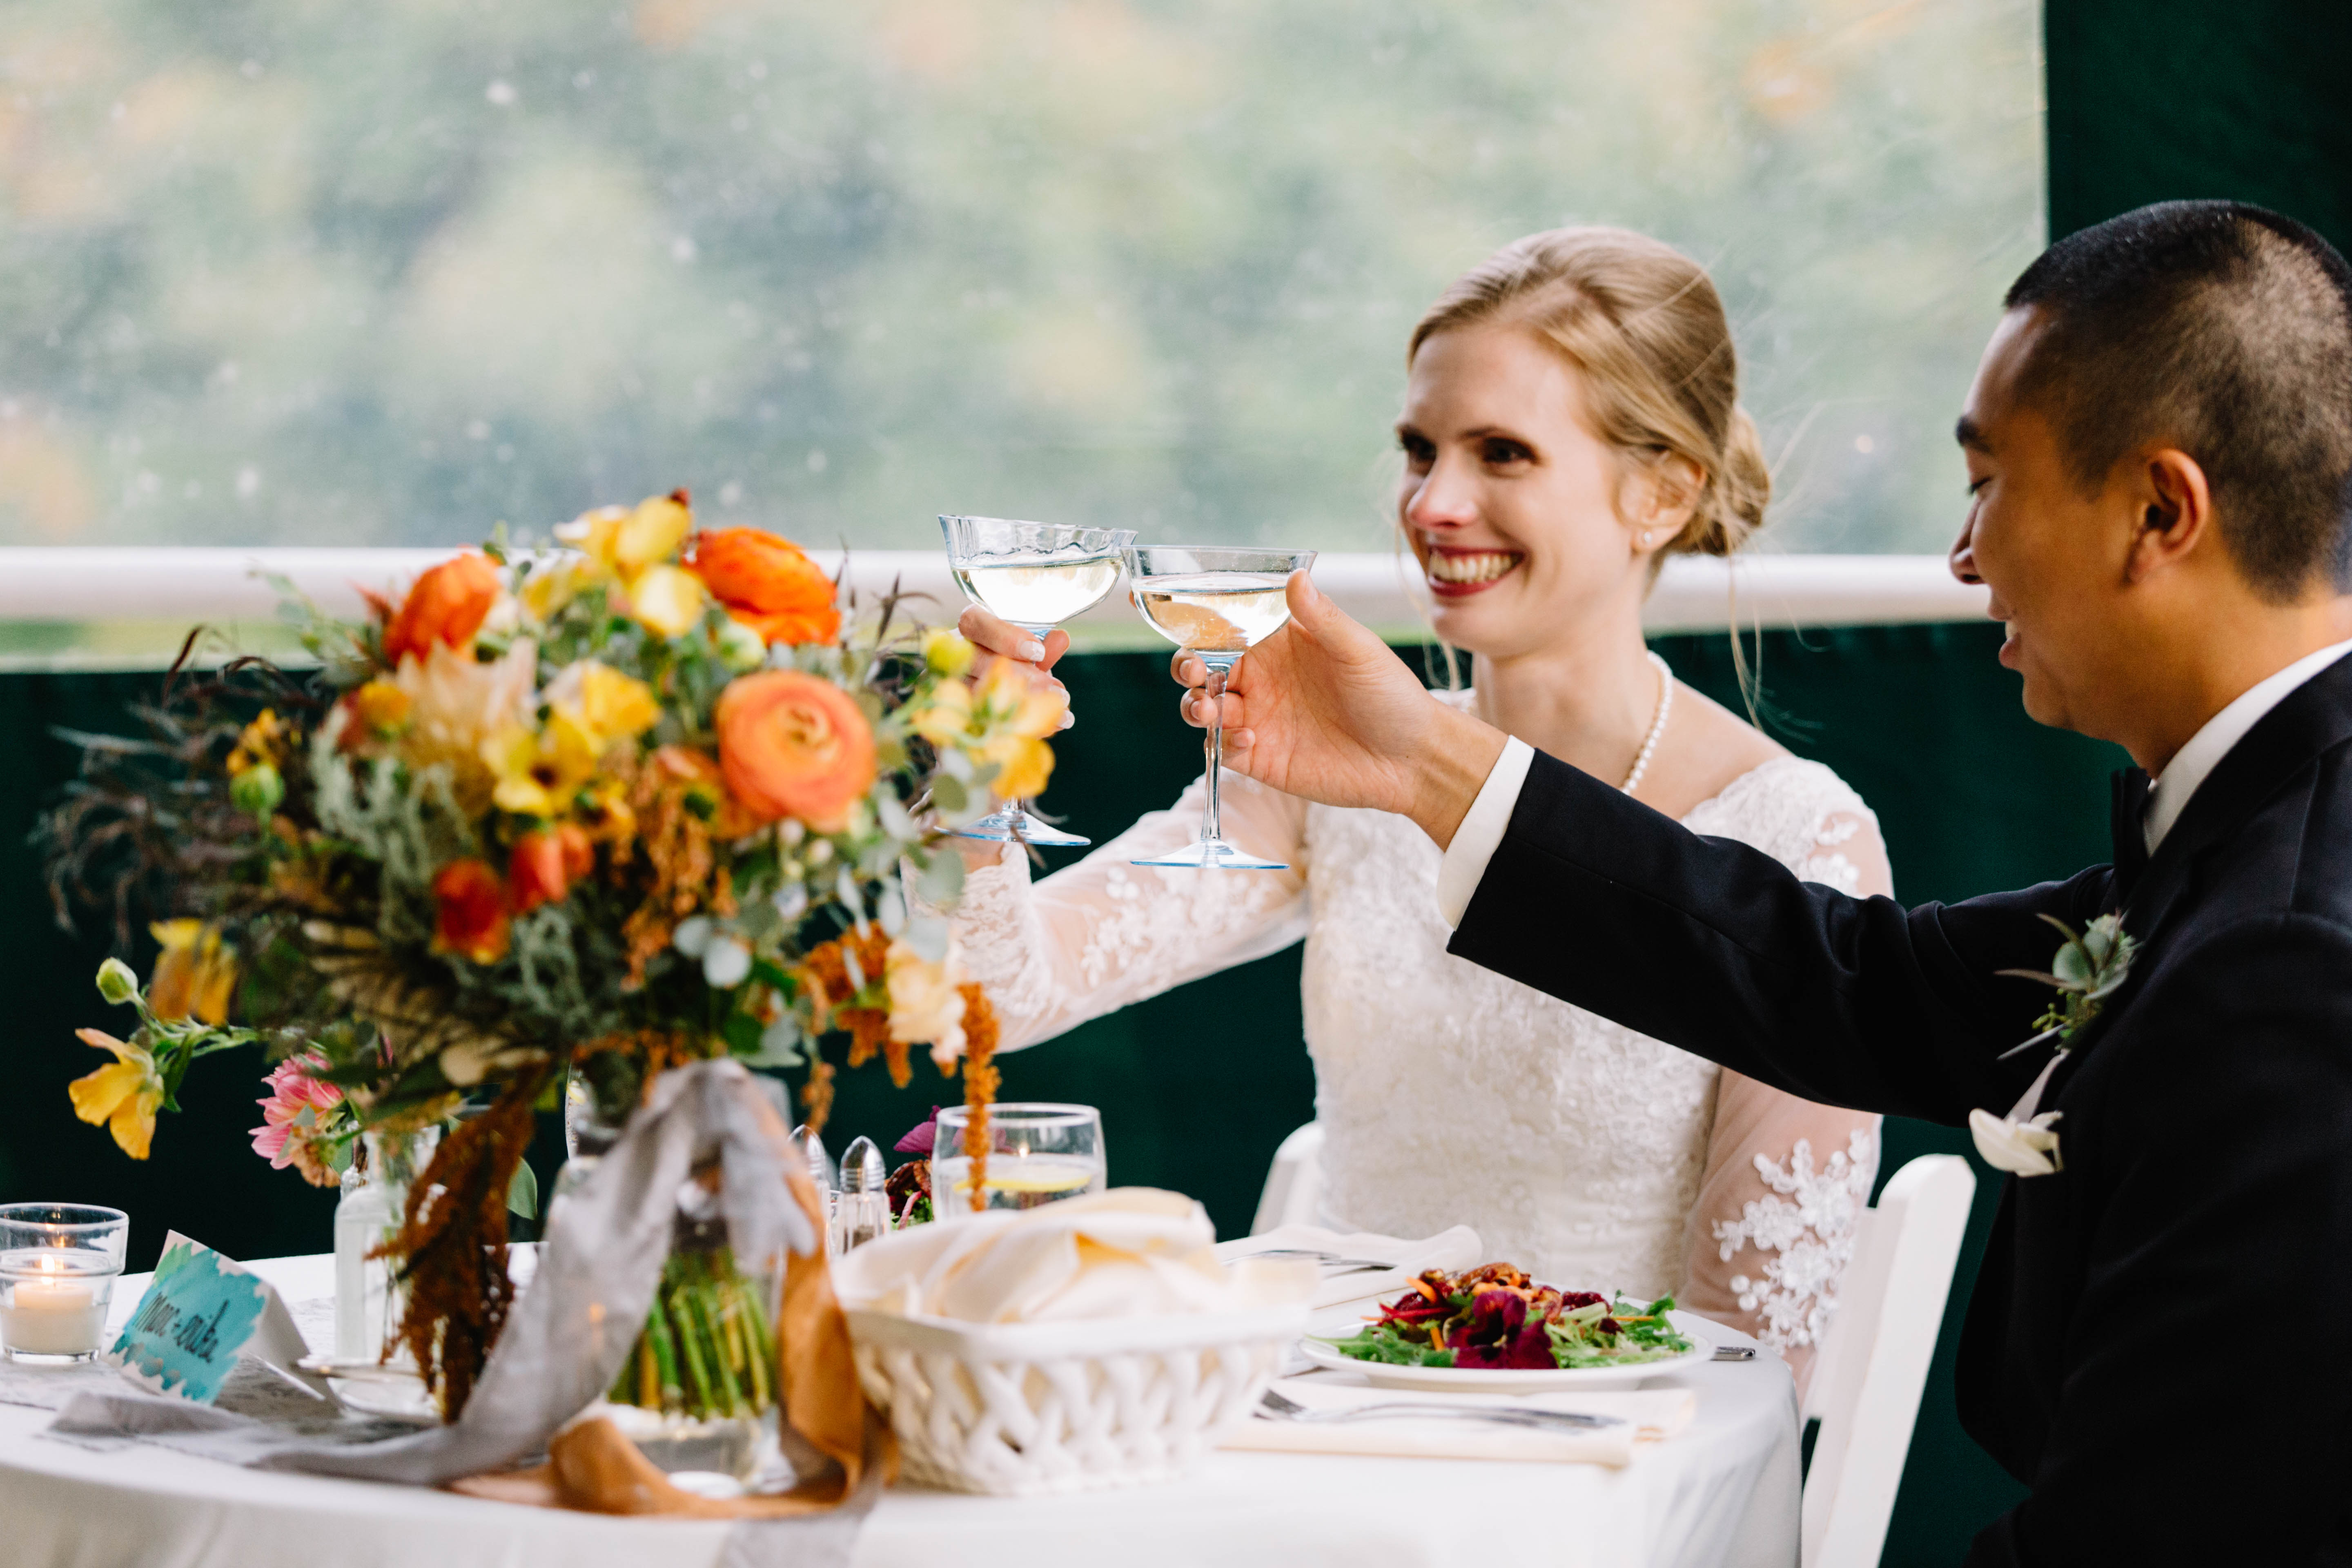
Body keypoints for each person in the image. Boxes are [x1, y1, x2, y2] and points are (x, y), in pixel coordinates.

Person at [1167, 199, 2352, 1563]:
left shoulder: (2287, 953)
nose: (1963, 557)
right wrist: (1426, 759)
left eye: (1987, 484)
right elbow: (1849, 979)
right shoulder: (2240, 842)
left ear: (2158, 511)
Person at [952, 227, 1887, 1390]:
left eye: (1502, 454)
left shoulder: (1799, 840)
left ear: (1661, 492)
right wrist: (972, 769)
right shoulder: (1326, 778)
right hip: (1327, 1440)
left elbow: (1753, 1363)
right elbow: (996, 996)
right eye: (1418, 448)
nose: (1435, 502)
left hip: (1610, 1486)